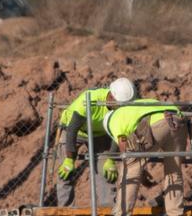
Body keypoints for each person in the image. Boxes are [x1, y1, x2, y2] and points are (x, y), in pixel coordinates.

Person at [103, 97, 188, 216]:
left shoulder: (114, 120)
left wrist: (133, 164)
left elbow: (124, 149)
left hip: (157, 124)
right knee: (173, 172)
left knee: (130, 168)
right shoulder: (133, 107)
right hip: (178, 121)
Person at [55, 78, 136, 207]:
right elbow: (72, 129)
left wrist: (111, 159)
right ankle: (65, 210)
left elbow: (118, 132)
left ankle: (108, 210)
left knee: (106, 172)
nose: (120, 107)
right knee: (65, 171)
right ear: (111, 95)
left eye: (123, 105)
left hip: (100, 134)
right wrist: (69, 159)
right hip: (77, 130)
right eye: (119, 103)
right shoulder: (89, 100)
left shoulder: (122, 108)